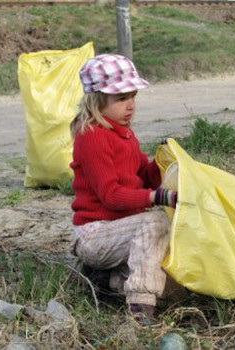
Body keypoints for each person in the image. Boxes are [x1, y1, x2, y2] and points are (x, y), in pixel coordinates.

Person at [69, 54, 178, 325]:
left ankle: (107, 280)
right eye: (121, 99)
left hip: (126, 231)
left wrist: (163, 162)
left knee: (175, 289)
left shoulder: (124, 133)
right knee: (157, 221)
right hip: (97, 233)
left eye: (133, 97)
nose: (130, 106)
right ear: (96, 100)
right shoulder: (92, 137)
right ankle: (140, 308)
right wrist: (156, 197)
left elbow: (142, 177)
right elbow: (111, 195)